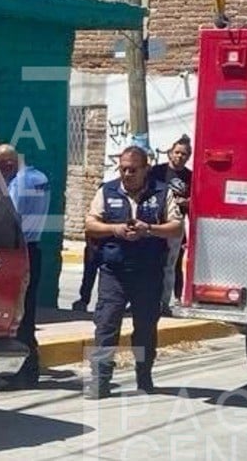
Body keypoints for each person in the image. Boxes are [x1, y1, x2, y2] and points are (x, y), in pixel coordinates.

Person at [83, 146, 184, 399]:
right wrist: (115, 229)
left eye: (133, 169)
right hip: (114, 271)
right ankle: (101, 380)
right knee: (106, 325)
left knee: (145, 328)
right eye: (123, 169)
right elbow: (90, 224)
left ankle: (144, 376)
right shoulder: (107, 191)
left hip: (148, 273)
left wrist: (148, 228)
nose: (127, 174)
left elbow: (176, 227)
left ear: (145, 169)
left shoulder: (162, 193)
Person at [0, 144, 51, 388]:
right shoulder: (40, 177)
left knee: (18, 316)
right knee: (26, 314)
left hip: (19, 250)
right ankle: (31, 369)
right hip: (34, 249)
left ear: (7, 164)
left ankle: (21, 373)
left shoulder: (18, 184)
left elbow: (10, 219)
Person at [151, 136, 192, 314]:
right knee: (148, 264)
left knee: (170, 266)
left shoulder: (191, 177)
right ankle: (142, 300)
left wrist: (186, 202)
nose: (180, 156)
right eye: (177, 152)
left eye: (184, 154)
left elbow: (196, 203)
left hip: (175, 226)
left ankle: (166, 303)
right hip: (153, 223)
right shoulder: (157, 172)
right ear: (170, 153)